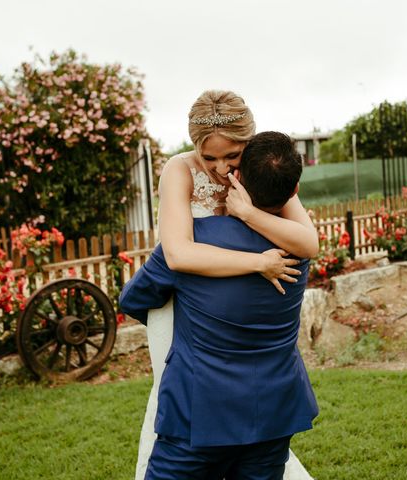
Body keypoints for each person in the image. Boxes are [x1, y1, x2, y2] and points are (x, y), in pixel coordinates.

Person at [136, 90, 319, 479]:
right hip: (188, 300)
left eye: (231, 156)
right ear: (196, 149)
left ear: (248, 145)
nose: (220, 168)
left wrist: (249, 213)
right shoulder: (179, 171)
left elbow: (309, 243)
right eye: (210, 157)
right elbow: (179, 255)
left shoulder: (259, 171)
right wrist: (258, 262)